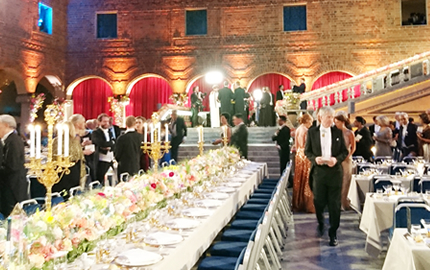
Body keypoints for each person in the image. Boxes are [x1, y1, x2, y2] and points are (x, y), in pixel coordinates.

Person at [304, 107, 348, 247]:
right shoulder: (312, 132)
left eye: (332, 117)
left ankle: (333, 232)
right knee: (319, 201)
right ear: (320, 117)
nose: (331, 120)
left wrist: (336, 160)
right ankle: (321, 222)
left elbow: (344, 152)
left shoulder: (337, 132)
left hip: (334, 172)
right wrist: (314, 159)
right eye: (328, 117)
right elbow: (307, 151)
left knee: (334, 203)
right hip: (319, 172)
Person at [0, 115, 28, 216]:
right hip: (10, 185)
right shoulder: (10, 140)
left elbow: (12, 166)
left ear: (6, 125)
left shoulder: (13, 141)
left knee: (11, 215)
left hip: (13, 187)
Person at [53, 121, 86, 195]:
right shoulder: (75, 142)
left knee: (59, 194)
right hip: (73, 171)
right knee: (71, 194)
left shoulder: (55, 141)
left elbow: (52, 157)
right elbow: (80, 158)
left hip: (58, 171)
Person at [293, 113, 314, 213]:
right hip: (305, 155)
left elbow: (297, 145)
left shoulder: (298, 129)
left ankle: (298, 202)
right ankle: (307, 204)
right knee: (307, 179)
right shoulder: (306, 131)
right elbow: (307, 145)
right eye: (311, 121)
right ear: (307, 121)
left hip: (299, 154)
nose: (312, 123)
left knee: (299, 179)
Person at [334, 112, 356, 210]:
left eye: (337, 122)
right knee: (337, 180)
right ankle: (337, 202)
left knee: (346, 180)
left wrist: (349, 155)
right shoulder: (335, 132)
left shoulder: (349, 133)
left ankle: (343, 203)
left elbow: (353, 147)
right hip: (337, 158)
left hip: (346, 159)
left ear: (342, 122)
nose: (336, 124)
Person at [70, 114, 95, 186]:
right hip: (74, 165)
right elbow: (71, 151)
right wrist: (83, 152)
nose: (85, 124)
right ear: (77, 124)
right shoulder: (72, 135)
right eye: (83, 122)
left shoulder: (79, 135)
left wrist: (82, 145)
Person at [92, 113, 116, 183]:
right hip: (101, 159)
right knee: (100, 179)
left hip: (111, 158)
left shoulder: (109, 132)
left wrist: (109, 145)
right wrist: (110, 144)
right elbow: (100, 143)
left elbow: (114, 143)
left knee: (112, 179)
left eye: (107, 121)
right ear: (99, 122)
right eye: (104, 121)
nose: (107, 123)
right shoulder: (96, 132)